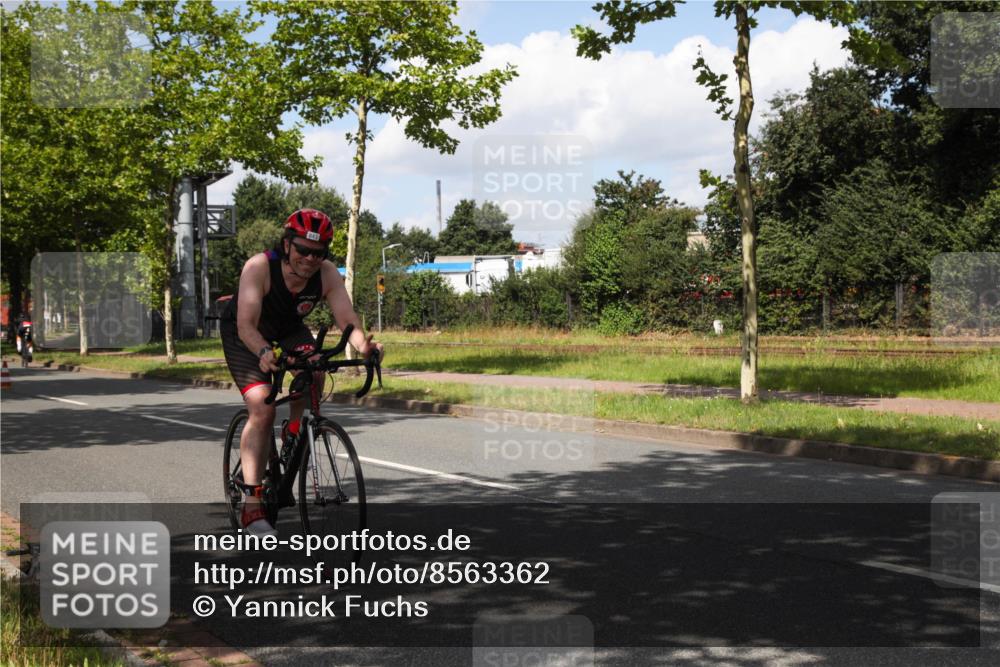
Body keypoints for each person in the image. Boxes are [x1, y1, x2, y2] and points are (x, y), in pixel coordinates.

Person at [220, 209, 383, 537]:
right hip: (247, 334)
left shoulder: (325, 274)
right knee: (262, 407)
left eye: (318, 252)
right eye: (303, 250)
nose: (310, 258)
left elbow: (346, 319)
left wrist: (364, 346)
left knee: (316, 368)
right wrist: (265, 353)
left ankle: (293, 431)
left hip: (289, 329)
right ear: (286, 244)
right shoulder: (259, 267)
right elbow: (246, 325)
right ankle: (252, 507)